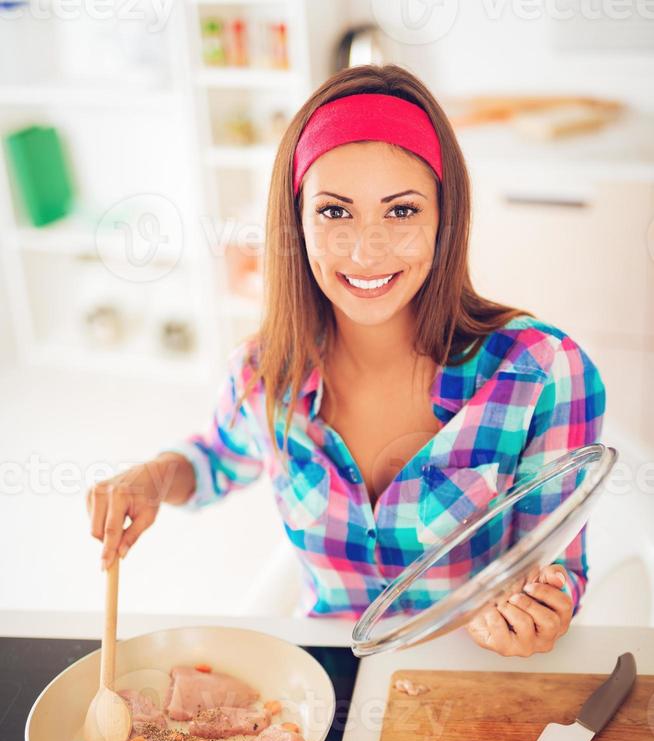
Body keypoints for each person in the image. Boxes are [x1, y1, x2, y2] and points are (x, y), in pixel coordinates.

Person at [86, 65, 605, 658]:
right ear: (297, 222)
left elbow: (556, 564)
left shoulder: (542, 372)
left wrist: (543, 611)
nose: (367, 249)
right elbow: (214, 458)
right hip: (328, 682)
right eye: (335, 212)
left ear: (444, 218)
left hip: (473, 681)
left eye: (402, 211)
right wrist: (154, 477)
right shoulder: (263, 373)